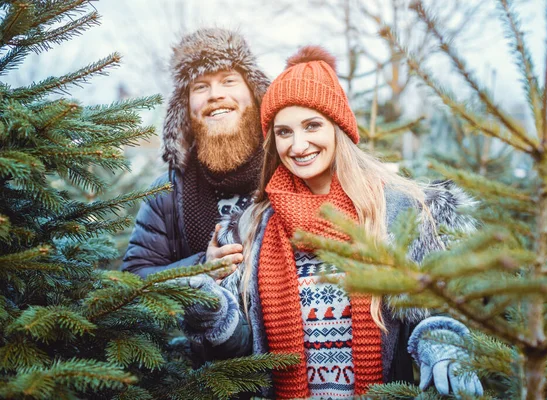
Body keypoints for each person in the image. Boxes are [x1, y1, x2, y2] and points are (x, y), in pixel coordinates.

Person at [185, 46, 484, 399]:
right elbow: (241, 355)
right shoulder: (250, 226)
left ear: (338, 127)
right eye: (284, 132)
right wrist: (213, 311)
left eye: (312, 125)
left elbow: (441, 308)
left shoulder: (399, 211)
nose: (298, 145)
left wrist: (443, 343)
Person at [121, 28, 269, 365]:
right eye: (200, 87)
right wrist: (202, 268)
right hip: (207, 377)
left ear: (255, 93)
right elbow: (131, 283)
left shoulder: (287, 171)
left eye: (228, 80)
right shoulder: (167, 192)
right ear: (186, 109)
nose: (215, 95)